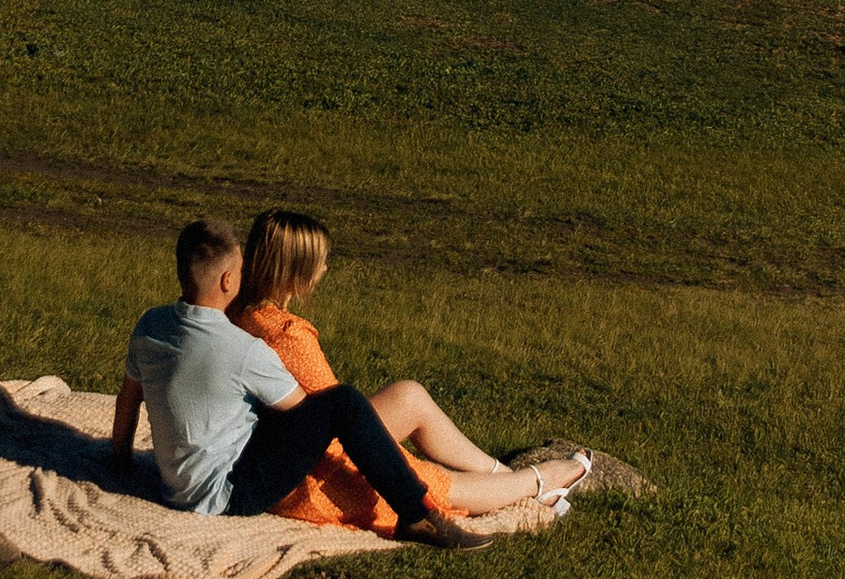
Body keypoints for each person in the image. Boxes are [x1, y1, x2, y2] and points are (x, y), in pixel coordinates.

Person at [113, 218, 490, 545]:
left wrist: (119, 460)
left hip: (174, 486)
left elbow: (128, 399)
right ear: (228, 279)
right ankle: (417, 513)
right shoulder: (243, 349)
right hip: (228, 494)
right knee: (343, 403)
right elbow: (307, 416)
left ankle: (418, 510)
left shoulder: (150, 325)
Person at [230, 207, 586, 527]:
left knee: (409, 397)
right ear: (296, 272)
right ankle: (541, 480)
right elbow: (341, 421)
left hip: (284, 444)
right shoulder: (288, 335)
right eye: (319, 262)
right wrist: (395, 462)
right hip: (306, 473)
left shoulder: (239, 316)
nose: (325, 268)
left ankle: (503, 475)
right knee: (434, 482)